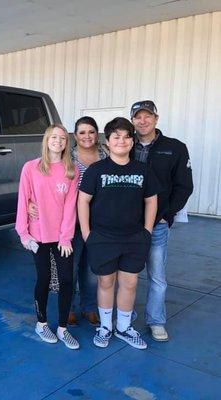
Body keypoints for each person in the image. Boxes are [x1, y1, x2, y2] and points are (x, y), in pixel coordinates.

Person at [78, 117, 158, 350]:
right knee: (105, 281)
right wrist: (86, 233)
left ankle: (123, 328)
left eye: (126, 137)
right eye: (116, 137)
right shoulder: (96, 170)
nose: (121, 141)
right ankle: (105, 327)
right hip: (102, 237)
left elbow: (151, 200)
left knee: (130, 283)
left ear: (132, 142)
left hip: (134, 237)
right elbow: (83, 200)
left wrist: (147, 231)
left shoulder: (142, 170)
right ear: (108, 142)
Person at [28, 117, 105, 326]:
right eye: (81, 132)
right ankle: (68, 308)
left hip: (99, 221)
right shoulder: (66, 157)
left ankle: (89, 307)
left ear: (97, 134)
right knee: (70, 268)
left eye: (91, 131)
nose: (87, 136)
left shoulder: (106, 154)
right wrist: (29, 204)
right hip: (72, 222)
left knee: (90, 270)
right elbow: (43, 187)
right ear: (75, 136)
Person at [130, 100, 193, 341]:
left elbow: (184, 186)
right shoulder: (124, 144)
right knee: (128, 274)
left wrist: (168, 215)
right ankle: (127, 316)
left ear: (156, 118)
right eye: (138, 117)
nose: (143, 121)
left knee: (157, 275)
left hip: (157, 224)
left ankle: (156, 321)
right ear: (133, 120)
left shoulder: (175, 148)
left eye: (148, 116)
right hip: (129, 224)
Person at [15, 124, 80, 350]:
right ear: (46, 140)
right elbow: (23, 201)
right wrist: (23, 232)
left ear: (66, 143)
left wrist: (65, 237)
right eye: (54, 137)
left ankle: (63, 328)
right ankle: (42, 323)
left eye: (63, 138)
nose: (58, 141)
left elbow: (71, 207)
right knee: (43, 278)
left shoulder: (71, 170)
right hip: (38, 235)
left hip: (61, 236)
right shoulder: (31, 168)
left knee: (66, 280)